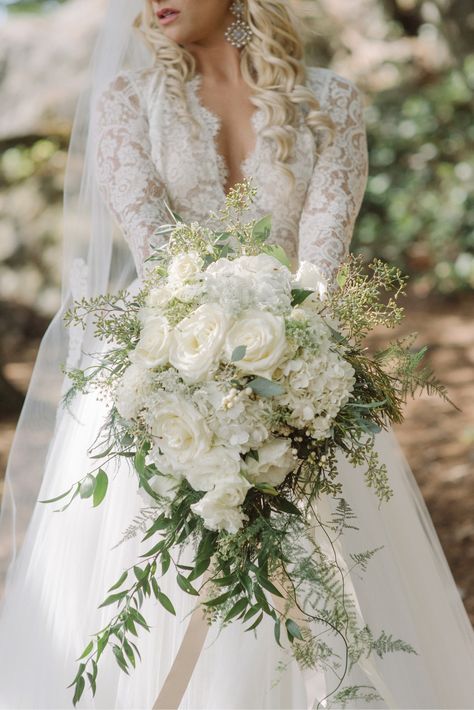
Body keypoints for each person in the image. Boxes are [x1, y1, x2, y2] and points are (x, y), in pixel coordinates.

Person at [1, 1, 474, 708]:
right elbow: (155, 246)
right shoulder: (129, 100)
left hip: (304, 368)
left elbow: (320, 259)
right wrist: (214, 366)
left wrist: (287, 364)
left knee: (336, 596)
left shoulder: (329, 101)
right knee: (154, 586)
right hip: (164, 370)